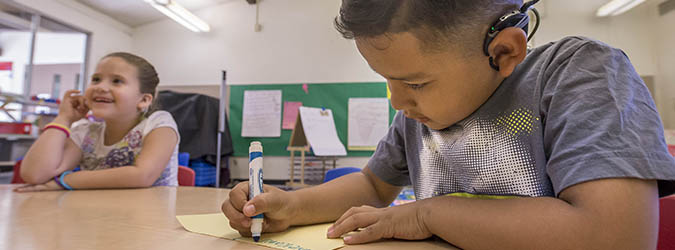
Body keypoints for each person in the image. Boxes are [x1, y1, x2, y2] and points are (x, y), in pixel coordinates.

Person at [222, 0, 675, 249]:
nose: (398, 101)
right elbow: (371, 187)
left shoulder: (580, 72)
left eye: (415, 81)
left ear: (503, 53)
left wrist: (424, 213)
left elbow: (614, 236)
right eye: (387, 81)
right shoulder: (420, 112)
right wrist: (287, 205)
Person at [17, 52, 180, 191]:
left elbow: (142, 176)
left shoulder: (159, 124)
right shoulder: (86, 131)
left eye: (117, 81)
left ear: (144, 100)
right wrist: (63, 119)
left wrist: (65, 181)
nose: (100, 87)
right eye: (96, 79)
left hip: (151, 218)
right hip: (96, 216)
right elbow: (35, 174)